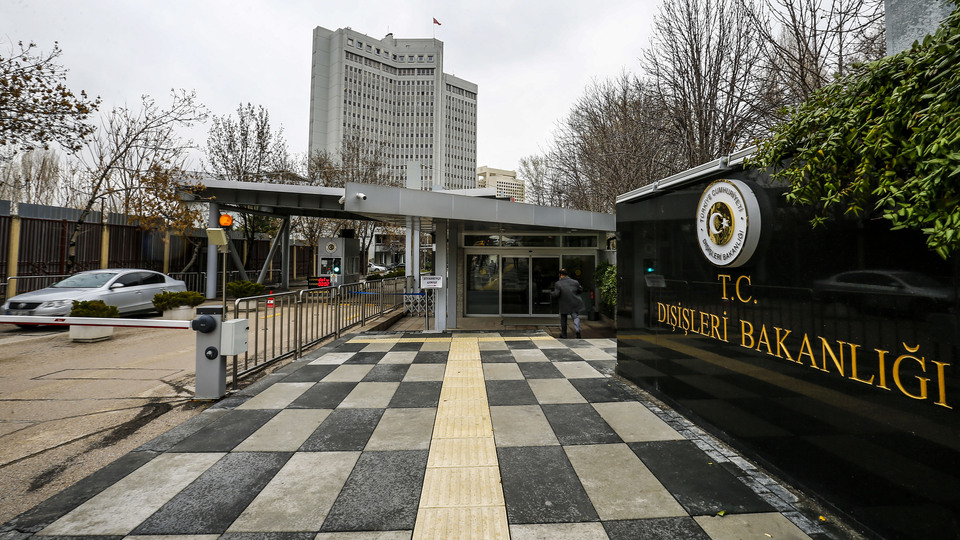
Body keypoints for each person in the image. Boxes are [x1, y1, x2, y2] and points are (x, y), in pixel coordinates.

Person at [551, 268, 585, 339]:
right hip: (574, 302)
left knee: (564, 319)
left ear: (561, 275)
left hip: (564, 304)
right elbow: (581, 290)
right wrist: (575, 294)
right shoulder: (575, 282)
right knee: (575, 317)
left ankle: (564, 335)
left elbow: (556, 294)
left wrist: (552, 293)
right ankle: (577, 331)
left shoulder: (558, 283)